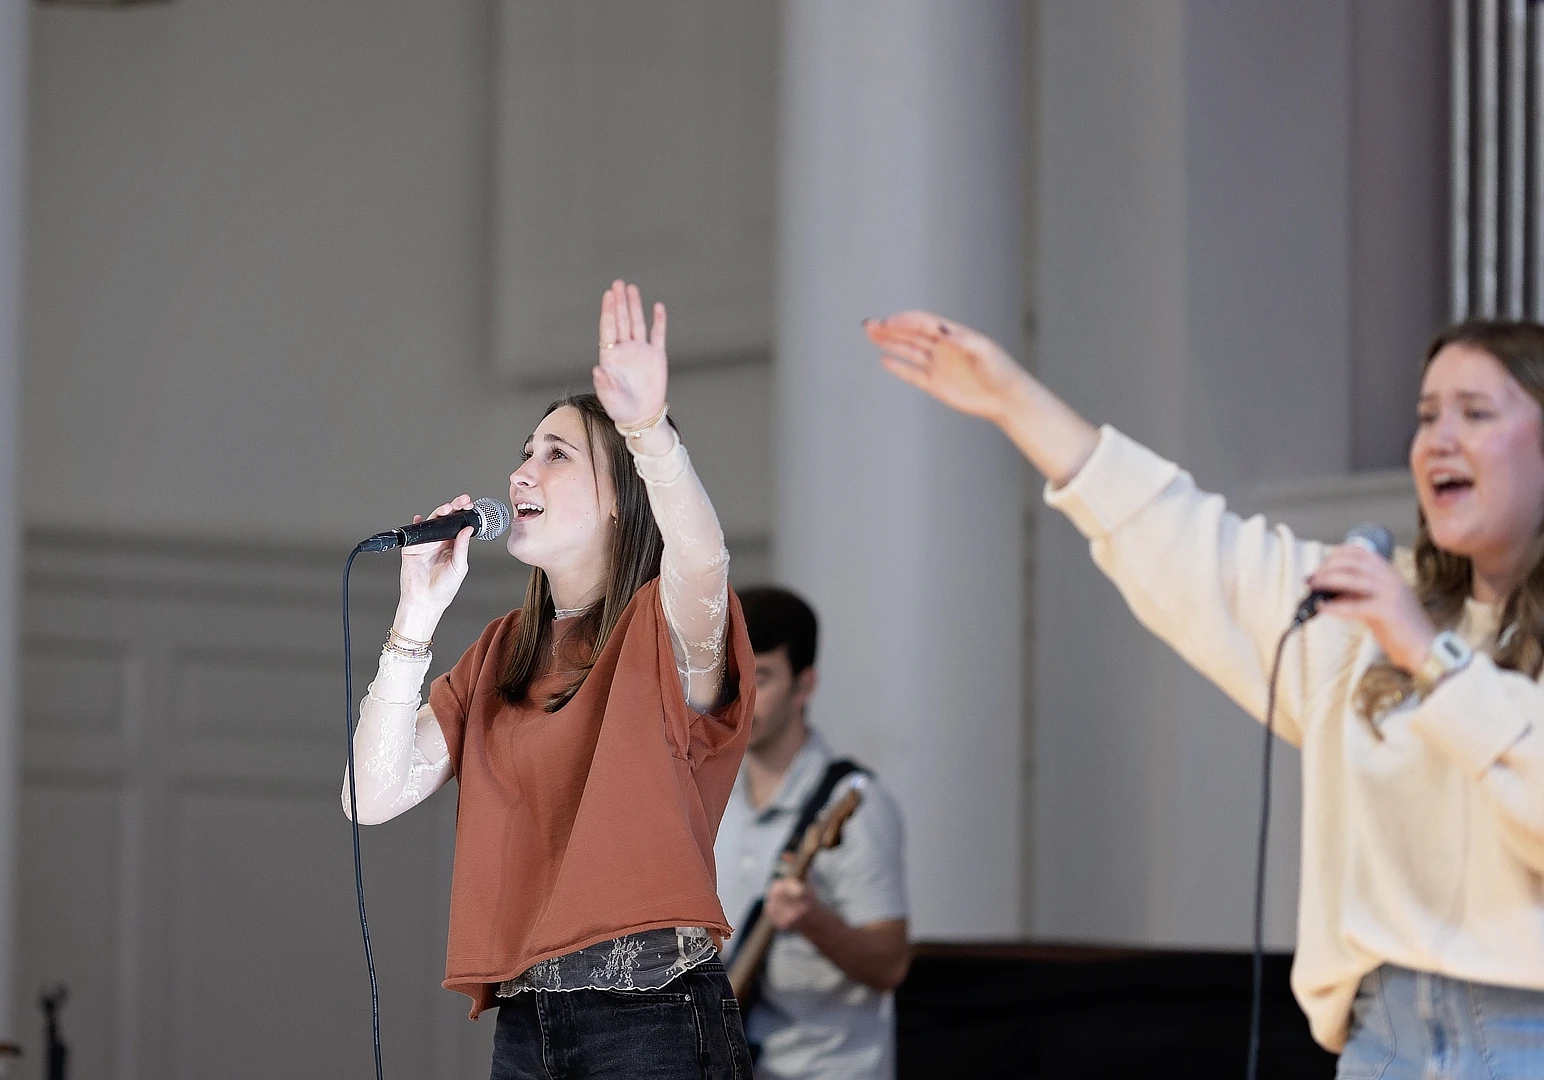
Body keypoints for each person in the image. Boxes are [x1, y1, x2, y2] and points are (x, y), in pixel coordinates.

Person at [867, 311, 1544, 1077]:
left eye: (1475, 414)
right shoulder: (1373, 615)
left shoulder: (1400, 624)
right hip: (1384, 1040)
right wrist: (1012, 400)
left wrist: (1429, 656)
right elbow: (1189, 545)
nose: (1438, 441)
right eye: (1426, 417)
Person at [342, 281, 757, 1079]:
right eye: (525, 452)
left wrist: (646, 429)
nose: (522, 473)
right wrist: (415, 619)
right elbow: (371, 793)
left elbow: (703, 559)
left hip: (654, 1011)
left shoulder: (661, 627)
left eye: (556, 455)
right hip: (531, 1021)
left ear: (621, 499)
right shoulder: (503, 651)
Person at [715, 587, 910, 1080]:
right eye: (731, 675)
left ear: (804, 686)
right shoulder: (711, 798)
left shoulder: (858, 806)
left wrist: (814, 922)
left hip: (828, 1068)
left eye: (761, 677)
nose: (742, 696)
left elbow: (891, 964)